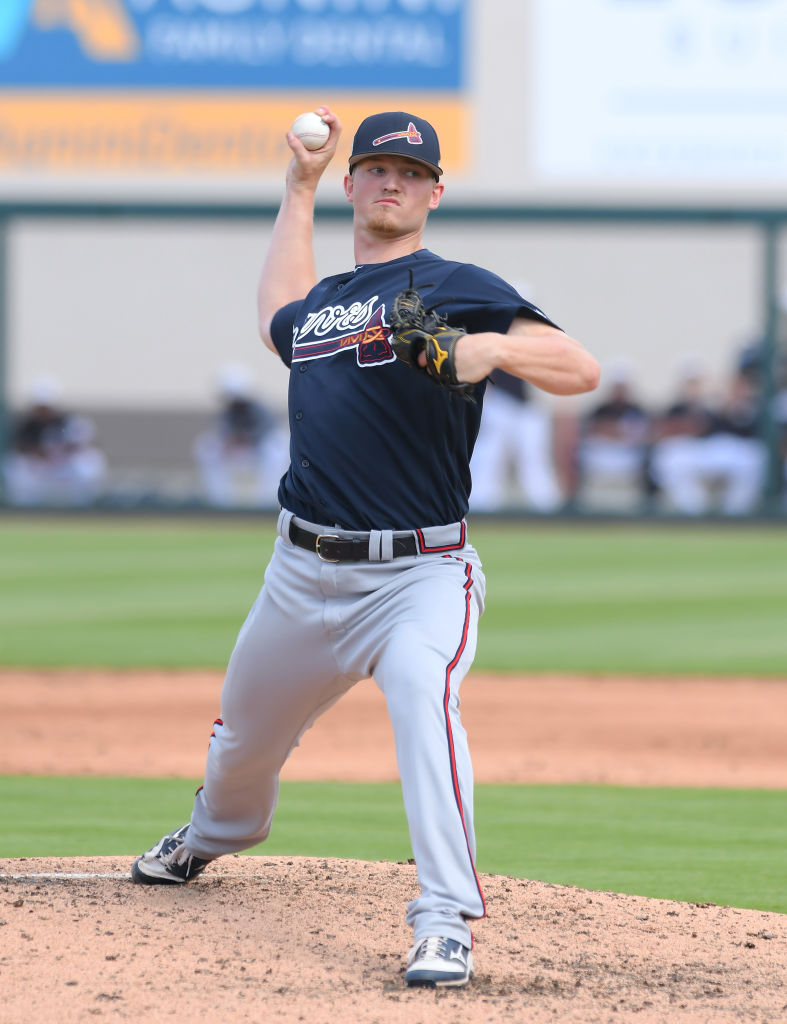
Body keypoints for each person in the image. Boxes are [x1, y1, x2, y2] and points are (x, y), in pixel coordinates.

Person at [130, 107, 600, 988]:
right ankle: (206, 839)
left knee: (422, 698)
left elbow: (580, 368)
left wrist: (485, 348)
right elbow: (277, 311)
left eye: (411, 173)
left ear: (434, 192)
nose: (394, 182)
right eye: (377, 168)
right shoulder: (322, 308)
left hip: (419, 575)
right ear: (353, 184)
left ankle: (443, 918)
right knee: (240, 749)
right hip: (298, 572)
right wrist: (296, 188)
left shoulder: (456, 283)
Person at [192, 362, 289, 508]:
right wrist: (229, 442)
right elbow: (223, 432)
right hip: (239, 452)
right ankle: (219, 501)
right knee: (206, 446)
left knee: (278, 445)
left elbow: (267, 430)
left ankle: (268, 502)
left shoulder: (260, 408)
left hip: (260, 450)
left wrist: (246, 438)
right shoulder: (227, 412)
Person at [469, 368, 563, 512]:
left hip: (526, 404)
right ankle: (480, 509)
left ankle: (548, 509)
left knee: (533, 459)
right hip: (498, 400)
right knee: (489, 457)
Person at [2, 376, 106, 506]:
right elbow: (21, 449)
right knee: (14, 466)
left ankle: (84, 507)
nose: (44, 412)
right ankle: (25, 510)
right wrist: (39, 454)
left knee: (89, 463)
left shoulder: (70, 421)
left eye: (47, 407)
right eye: (40, 408)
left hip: (64, 467)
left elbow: (86, 444)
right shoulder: (27, 425)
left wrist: (61, 451)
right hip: (41, 469)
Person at [573, 361, 650, 509]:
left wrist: (612, 432)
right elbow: (591, 433)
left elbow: (641, 436)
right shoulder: (599, 410)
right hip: (602, 454)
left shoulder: (637, 410)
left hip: (628, 457)